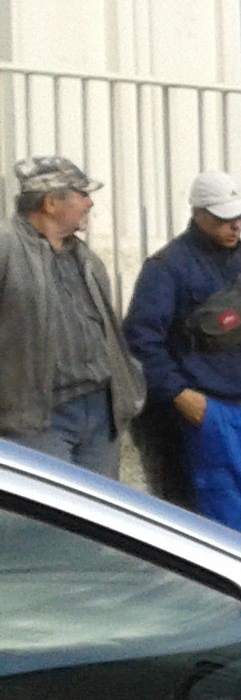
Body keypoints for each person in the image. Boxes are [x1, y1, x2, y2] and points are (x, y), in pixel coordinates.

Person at [124, 171, 241, 537]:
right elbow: (141, 339)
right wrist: (179, 394)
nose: (234, 225)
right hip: (211, 404)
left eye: (238, 217)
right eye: (224, 218)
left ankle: (213, 476)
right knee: (232, 521)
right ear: (198, 214)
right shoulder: (168, 267)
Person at [0, 156, 145, 477]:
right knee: (47, 522)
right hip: (37, 419)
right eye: (81, 193)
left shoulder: (88, 260)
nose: (90, 203)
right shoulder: (6, 248)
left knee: (98, 520)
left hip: (100, 414)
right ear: (51, 202)